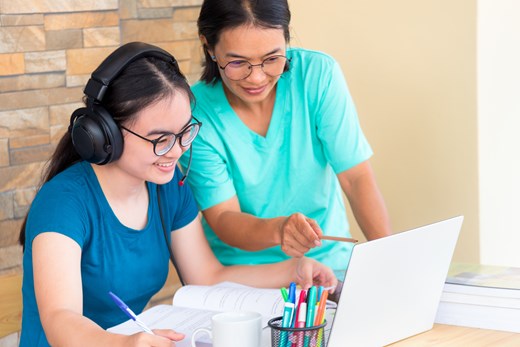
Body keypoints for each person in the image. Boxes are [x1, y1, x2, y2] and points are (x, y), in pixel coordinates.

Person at [18, 42, 337, 347]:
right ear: (107, 134)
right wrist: (122, 344)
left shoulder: (167, 187)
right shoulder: (63, 202)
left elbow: (207, 276)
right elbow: (60, 318)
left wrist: (291, 271)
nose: (178, 150)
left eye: (185, 132)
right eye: (161, 139)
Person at [179, 0, 392, 276]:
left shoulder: (318, 76)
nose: (256, 78)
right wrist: (279, 229)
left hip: (330, 266)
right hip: (246, 279)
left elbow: (355, 178)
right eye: (237, 62)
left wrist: (390, 258)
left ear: (286, 39)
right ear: (209, 47)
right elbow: (223, 217)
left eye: (272, 59)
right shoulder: (196, 116)